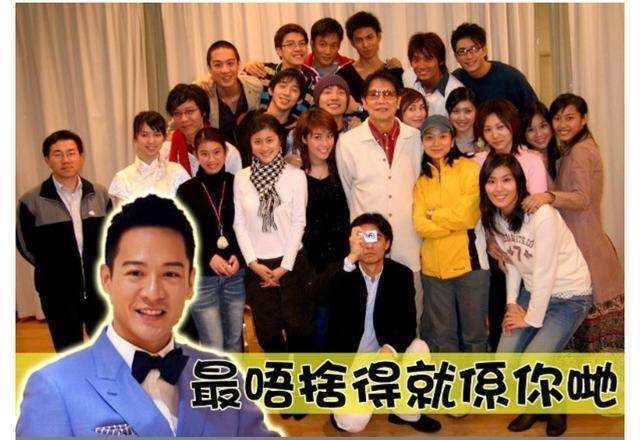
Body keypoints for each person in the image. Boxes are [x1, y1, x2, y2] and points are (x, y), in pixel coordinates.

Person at [16, 194, 278, 437]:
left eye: (170, 274)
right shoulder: (53, 387)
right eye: (135, 273)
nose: (153, 293)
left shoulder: (220, 373)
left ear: (190, 283)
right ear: (107, 279)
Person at [481, 154, 592, 436]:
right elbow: (513, 262)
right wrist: (511, 304)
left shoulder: (542, 215)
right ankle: (534, 403)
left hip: (570, 296)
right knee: (504, 359)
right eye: (491, 181)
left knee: (534, 359)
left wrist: (530, 319)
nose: (499, 188)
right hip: (533, 292)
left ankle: (555, 406)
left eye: (506, 180)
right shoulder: (496, 216)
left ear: (519, 182)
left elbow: (545, 272)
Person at [521, 93, 624, 352]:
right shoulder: (569, 151)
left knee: (593, 339)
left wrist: (548, 196)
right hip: (581, 245)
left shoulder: (579, 151)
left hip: (587, 249)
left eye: (569, 118)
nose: (562, 125)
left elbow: (581, 198)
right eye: (557, 118)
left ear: (584, 119)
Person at [324, 213, 441, 434]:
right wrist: (351, 257)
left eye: (375, 238)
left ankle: (406, 412)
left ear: (387, 244)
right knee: (352, 424)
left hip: (383, 355)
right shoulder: (343, 273)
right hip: (352, 361)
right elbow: (320, 294)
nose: (369, 245)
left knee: (419, 347)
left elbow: (407, 324)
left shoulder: (401, 274)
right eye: (363, 238)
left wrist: (389, 349)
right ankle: (342, 403)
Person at [336, 70, 424, 324]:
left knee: (411, 312)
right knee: (369, 311)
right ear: (364, 101)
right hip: (369, 239)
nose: (381, 100)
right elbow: (349, 192)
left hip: (408, 237)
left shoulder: (415, 138)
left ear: (398, 100)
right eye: (374, 94)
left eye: (388, 94)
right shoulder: (348, 142)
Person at [16, 130, 111, 352]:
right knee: (68, 352)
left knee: (105, 349)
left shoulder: (99, 194)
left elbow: (111, 239)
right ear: (47, 159)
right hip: (57, 293)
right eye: (57, 154)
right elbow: (25, 245)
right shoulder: (31, 200)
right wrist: (53, 269)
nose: (65, 159)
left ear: (81, 156)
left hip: (99, 289)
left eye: (71, 153)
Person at [233, 113, 313, 353]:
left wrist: (284, 268)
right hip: (258, 266)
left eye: (269, 140)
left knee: (299, 332)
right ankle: (280, 377)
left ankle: (301, 378)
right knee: (268, 335)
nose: (264, 147)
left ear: (280, 141)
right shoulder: (241, 177)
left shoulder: (296, 176)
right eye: (257, 141)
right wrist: (253, 263)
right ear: (250, 144)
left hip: (291, 265)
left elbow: (299, 223)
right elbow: (239, 224)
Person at [473, 98, 548, 351]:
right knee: (499, 314)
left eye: (501, 127)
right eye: (488, 129)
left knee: (529, 316)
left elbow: (534, 210)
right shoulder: (478, 162)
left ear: (512, 126)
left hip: (527, 250)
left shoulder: (531, 160)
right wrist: (491, 240)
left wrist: (511, 244)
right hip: (496, 250)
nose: (495, 135)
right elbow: (479, 208)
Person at [413, 115, 490, 353]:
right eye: (429, 137)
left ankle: (475, 378)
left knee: (474, 336)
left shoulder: (470, 169)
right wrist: (450, 220)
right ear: (422, 142)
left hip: (470, 265)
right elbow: (420, 225)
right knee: (444, 338)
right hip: (434, 270)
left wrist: (433, 214)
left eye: (443, 136)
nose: (436, 143)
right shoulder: (421, 180)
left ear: (452, 139)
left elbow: (468, 216)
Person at [176, 127, 246, 351]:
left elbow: (247, 227)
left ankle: (235, 376)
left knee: (234, 341)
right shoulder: (186, 190)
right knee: (212, 344)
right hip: (204, 278)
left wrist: (239, 256)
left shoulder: (238, 183)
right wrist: (208, 257)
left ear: (225, 153)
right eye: (204, 153)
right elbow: (184, 235)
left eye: (217, 152)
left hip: (235, 274)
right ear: (196, 155)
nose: (211, 159)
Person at [293, 108, 351, 350]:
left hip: (340, 265)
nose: (325, 143)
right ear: (304, 138)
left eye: (329, 136)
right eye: (317, 137)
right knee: (309, 334)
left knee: (335, 334)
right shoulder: (293, 176)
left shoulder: (342, 171)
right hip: (306, 268)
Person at [450, 23, 538, 114]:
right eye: (462, 51)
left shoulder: (511, 78)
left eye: (474, 49)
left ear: (484, 50)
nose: (469, 56)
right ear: (456, 57)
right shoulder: (455, 80)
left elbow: (536, 113)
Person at [109, 111, 190, 205]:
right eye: (144, 135)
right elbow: (122, 214)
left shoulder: (177, 172)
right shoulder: (123, 179)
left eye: (157, 135)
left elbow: (189, 209)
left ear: (164, 138)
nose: (151, 141)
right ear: (135, 138)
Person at [161, 83, 242, 176]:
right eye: (177, 113)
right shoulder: (165, 151)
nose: (184, 119)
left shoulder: (226, 151)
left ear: (203, 112)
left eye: (190, 111)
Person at [194, 40, 263, 146]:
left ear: (239, 64)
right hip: (219, 154)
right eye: (218, 65)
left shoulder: (255, 86)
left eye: (230, 63)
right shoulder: (203, 93)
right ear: (209, 68)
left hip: (254, 153)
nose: (225, 70)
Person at [242, 23, 315, 119]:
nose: (298, 49)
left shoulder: (312, 85)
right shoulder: (263, 71)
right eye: (290, 44)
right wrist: (245, 69)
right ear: (279, 50)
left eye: (302, 43)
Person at [237, 68, 305, 167]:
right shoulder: (249, 119)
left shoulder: (297, 131)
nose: (287, 93)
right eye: (282, 86)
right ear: (270, 90)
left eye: (294, 90)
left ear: (299, 100)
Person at [338, 11, 404, 106]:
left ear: (378, 37)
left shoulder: (394, 71)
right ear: (352, 43)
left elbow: (402, 105)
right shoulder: (344, 76)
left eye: (369, 37)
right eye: (359, 40)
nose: (365, 44)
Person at [406, 32, 464, 117]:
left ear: (441, 61)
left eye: (428, 59)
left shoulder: (456, 91)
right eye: (416, 60)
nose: (421, 66)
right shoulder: (407, 78)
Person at [520, 100, 561, 180]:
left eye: (543, 126)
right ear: (524, 134)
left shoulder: (563, 155)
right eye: (530, 130)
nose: (538, 134)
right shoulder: (522, 161)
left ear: (551, 125)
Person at [445, 86, 485, 155]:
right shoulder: (443, 144)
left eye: (468, 111)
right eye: (456, 111)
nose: (462, 118)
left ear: (477, 111)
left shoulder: (488, 139)